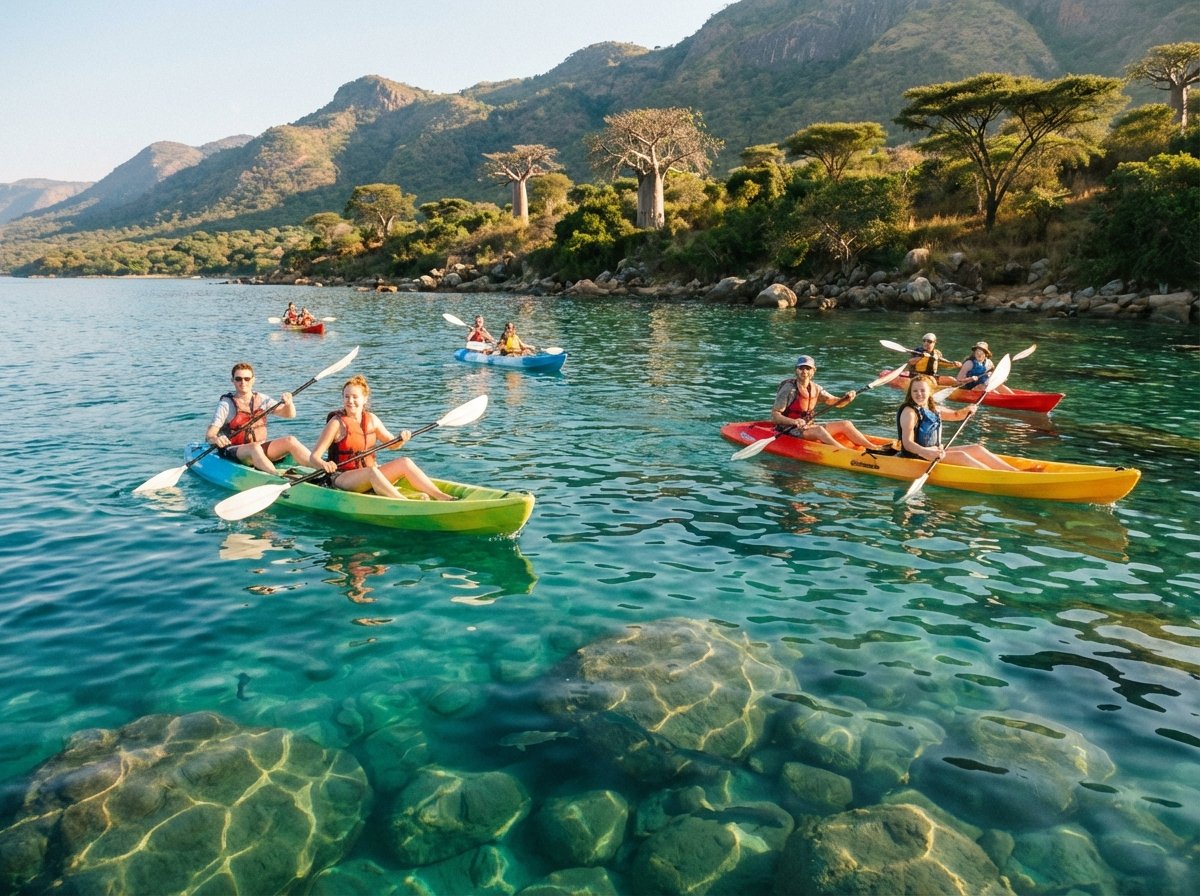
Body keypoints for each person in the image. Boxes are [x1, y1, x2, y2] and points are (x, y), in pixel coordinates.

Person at [309, 374, 455, 501]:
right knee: (372, 472)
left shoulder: (372, 419)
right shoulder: (336, 423)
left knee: (405, 462)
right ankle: (403, 502)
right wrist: (324, 464)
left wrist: (402, 439)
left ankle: (441, 496)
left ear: (365, 399)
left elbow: (392, 445)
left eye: (355, 397)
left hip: (369, 472)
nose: (350, 401)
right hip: (342, 477)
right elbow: (314, 457)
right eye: (346, 396)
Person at [897, 375, 1020, 470]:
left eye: (923, 390)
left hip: (934, 452)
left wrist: (967, 410)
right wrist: (926, 452)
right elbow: (907, 444)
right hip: (916, 455)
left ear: (930, 392)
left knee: (977, 449)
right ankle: (995, 477)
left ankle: (1013, 472)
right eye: (915, 391)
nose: (919, 394)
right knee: (961, 456)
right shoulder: (910, 412)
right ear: (910, 393)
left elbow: (956, 415)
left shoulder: (933, 408)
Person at [205, 362, 308, 474]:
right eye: (238, 379)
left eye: (247, 379)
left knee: (290, 440)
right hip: (235, 450)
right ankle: (277, 476)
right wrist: (216, 439)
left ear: (253, 380)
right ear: (233, 381)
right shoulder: (226, 404)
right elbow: (210, 435)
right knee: (254, 448)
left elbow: (289, 414)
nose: (243, 382)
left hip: (259, 447)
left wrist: (289, 404)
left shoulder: (262, 399)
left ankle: (321, 467)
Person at [770, 355, 877, 450]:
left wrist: (847, 398)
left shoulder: (816, 389)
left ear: (813, 370)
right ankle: (846, 453)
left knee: (846, 424)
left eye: (808, 368)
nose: (804, 371)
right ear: (796, 370)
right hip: (789, 430)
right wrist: (794, 422)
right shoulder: (789, 389)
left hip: (808, 428)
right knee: (819, 430)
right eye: (801, 368)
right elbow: (775, 416)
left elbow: (837, 403)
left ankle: (873, 448)